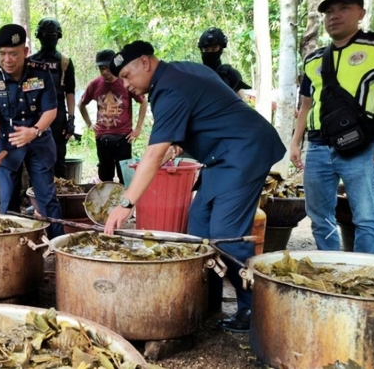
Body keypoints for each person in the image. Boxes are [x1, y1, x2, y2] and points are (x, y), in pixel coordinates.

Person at [103, 41, 285, 333]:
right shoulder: (179, 72)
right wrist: (181, 139)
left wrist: (126, 205)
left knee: (227, 235)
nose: (126, 84)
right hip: (220, 156)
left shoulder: (170, 88)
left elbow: (152, 154)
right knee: (198, 229)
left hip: (243, 152)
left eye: (127, 75)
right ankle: (207, 300)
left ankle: (254, 307)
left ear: (146, 62)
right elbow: (206, 108)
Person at [290, 0, 374, 254]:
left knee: (365, 216)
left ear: (361, 13)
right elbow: (306, 104)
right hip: (318, 147)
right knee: (319, 216)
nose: (335, 16)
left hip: (362, 146)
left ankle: (367, 279)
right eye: (330, 11)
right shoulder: (314, 59)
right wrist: (296, 142)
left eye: (344, 8)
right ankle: (331, 269)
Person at [0, 24, 65, 239]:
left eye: (13, 54)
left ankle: (57, 246)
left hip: (39, 143)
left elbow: (51, 110)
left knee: (47, 197)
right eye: (2, 54)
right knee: (7, 199)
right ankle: (9, 245)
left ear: (25, 52)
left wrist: (34, 131)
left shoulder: (41, 73)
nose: (7, 59)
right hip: (7, 147)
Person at [79, 49, 148, 184]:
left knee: (126, 176)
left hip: (123, 137)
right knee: (105, 177)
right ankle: (108, 203)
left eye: (107, 68)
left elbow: (143, 101)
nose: (104, 72)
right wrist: (89, 124)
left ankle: (127, 202)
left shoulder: (126, 82)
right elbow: (81, 104)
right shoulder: (95, 84)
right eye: (101, 69)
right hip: (102, 138)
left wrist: (138, 128)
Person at [30, 18, 76, 178]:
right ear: (39, 36)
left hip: (58, 116)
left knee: (58, 158)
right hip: (36, 115)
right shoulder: (31, 62)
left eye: (52, 35)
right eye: (45, 35)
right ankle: (35, 197)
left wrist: (71, 119)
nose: (49, 38)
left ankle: (59, 196)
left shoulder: (65, 62)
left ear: (58, 37)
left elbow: (70, 92)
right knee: (36, 158)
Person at [197, 27, 251, 98]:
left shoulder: (230, 74)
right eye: (206, 49)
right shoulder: (195, 73)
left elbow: (241, 104)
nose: (210, 52)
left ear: (221, 49)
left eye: (214, 49)